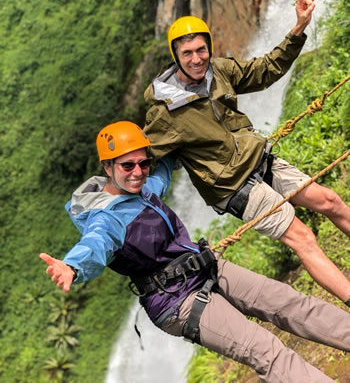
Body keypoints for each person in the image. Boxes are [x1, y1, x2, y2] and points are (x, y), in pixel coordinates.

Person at [39, 121, 350, 382]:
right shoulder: (106, 219)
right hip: (177, 301)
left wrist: (181, 137)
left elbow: (161, 170)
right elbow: (95, 245)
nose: (138, 171)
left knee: (292, 304)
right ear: (107, 167)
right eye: (127, 165)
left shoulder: (144, 189)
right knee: (266, 351)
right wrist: (73, 267)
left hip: (206, 267)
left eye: (143, 162)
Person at [143, 0, 350, 305]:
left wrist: (298, 28)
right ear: (176, 56)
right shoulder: (164, 111)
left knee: (330, 201)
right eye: (187, 54)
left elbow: (264, 71)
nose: (197, 59)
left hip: (258, 159)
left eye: (201, 50)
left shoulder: (219, 71)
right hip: (233, 187)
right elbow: (142, 157)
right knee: (303, 237)